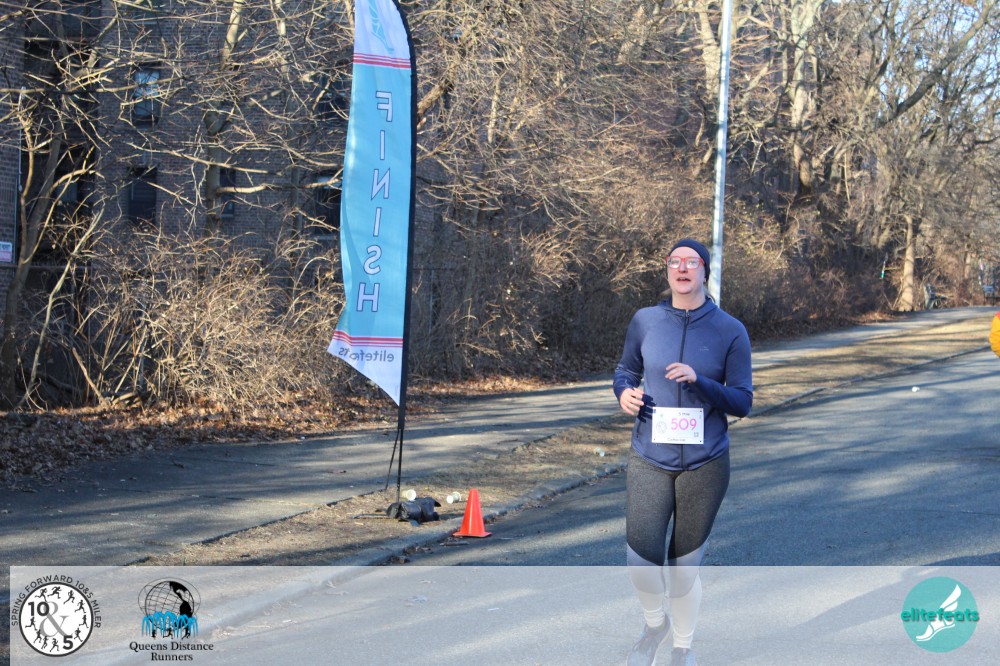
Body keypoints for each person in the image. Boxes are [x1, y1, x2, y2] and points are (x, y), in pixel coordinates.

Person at [613, 238, 753, 666]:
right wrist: (623, 393)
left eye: (692, 262)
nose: (683, 268)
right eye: (675, 261)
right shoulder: (645, 321)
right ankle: (655, 625)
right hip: (649, 456)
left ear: (704, 272)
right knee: (640, 559)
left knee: (682, 570)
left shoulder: (730, 330)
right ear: (667, 270)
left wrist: (699, 381)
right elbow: (625, 370)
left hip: (705, 464)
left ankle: (682, 648)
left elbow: (743, 401)